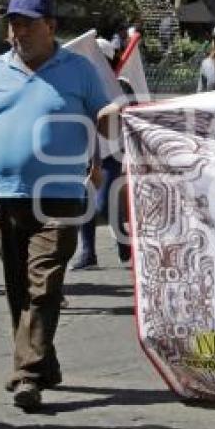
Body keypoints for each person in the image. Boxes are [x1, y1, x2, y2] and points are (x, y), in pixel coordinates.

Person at [0, 0, 122, 411]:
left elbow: (105, 123)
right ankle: (44, 362)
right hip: (6, 196)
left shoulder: (80, 70)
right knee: (19, 287)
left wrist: (118, 115)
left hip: (61, 197)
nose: (18, 32)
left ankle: (27, 374)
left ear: (50, 26)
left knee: (44, 284)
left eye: (27, 24)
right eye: (13, 24)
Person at [73, 38, 133, 270]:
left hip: (113, 151)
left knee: (104, 203)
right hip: (86, 150)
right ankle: (87, 252)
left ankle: (122, 239)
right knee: (84, 201)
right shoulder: (81, 82)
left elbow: (131, 119)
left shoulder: (122, 85)